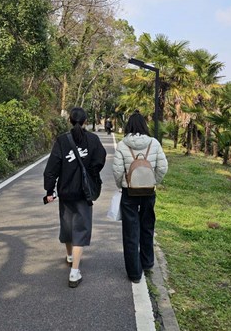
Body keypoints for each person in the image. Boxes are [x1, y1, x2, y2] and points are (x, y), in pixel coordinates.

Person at [43, 107, 106, 288]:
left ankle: (70, 256)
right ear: (85, 121)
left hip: (65, 191)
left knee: (67, 226)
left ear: (69, 120)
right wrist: (90, 174)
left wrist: (49, 190)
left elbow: (51, 169)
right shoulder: (93, 140)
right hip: (84, 193)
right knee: (81, 228)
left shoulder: (62, 140)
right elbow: (100, 160)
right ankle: (74, 272)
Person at [112, 111, 168, 283]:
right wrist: (153, 181)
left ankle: (134, 273)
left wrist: (122, 185)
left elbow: (117, 170)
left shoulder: (123, 145)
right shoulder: (154, 143)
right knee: (147, 226)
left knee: (130, 231)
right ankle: (147, 262)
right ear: (144, 125)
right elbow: (163, 167)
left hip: (130, 192)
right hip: (149, 191)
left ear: (128, 126)